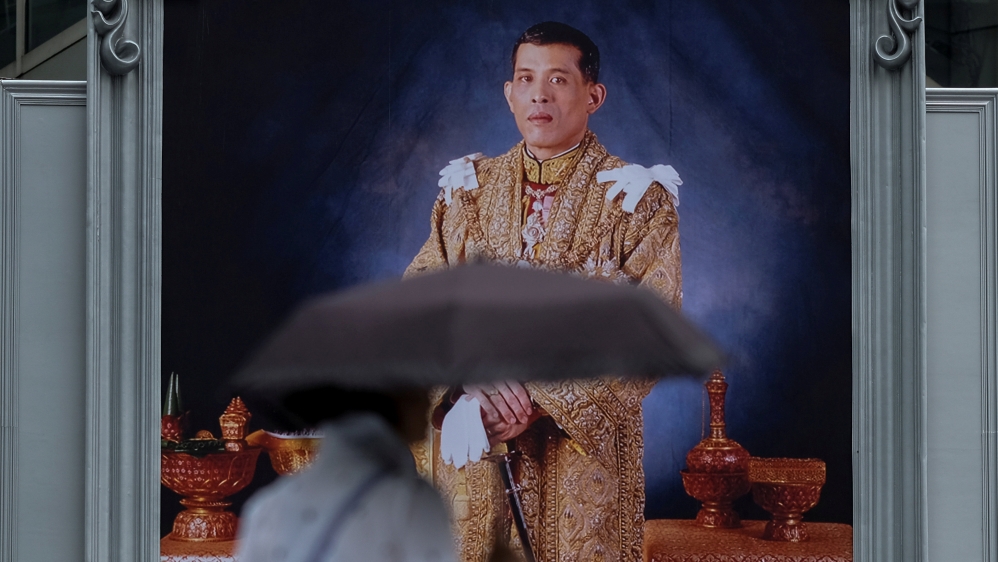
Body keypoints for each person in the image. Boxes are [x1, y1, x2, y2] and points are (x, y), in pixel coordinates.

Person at [405, 21, 683, 562]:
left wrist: (536, 400)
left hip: (579, 471)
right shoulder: (467, 193)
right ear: (509, 93)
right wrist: (467, 385)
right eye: (526, 78)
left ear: (593, 95)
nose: (539, 93)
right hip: (475, 445)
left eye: (558, 79)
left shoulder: (636, 200)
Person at [236, 388, 458, 562]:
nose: (429, 404)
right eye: (420, 392)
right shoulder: (409, 501)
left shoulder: (266, 509)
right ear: (399, 397)